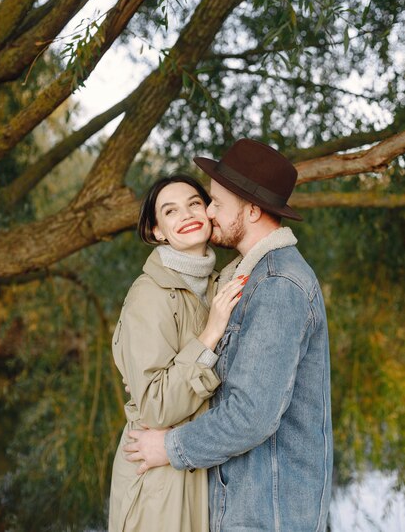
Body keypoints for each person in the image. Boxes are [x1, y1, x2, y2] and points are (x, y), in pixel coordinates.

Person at [125, 139, 333, 532]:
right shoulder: (246, 277)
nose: (208, 212)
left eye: (217, 202)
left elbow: (250, 416)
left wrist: (168, 447)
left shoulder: (277, 285)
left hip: (267, 514)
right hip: (249, 506)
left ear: (252, 210)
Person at [109, 174, 245, 532]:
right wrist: (210, 334)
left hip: (196, 464)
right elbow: (155, 406)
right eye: (171, 211)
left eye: (194, 203)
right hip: (155, 479)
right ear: (157, 231)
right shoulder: (148, 295)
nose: (186, 214)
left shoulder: (219, 282)